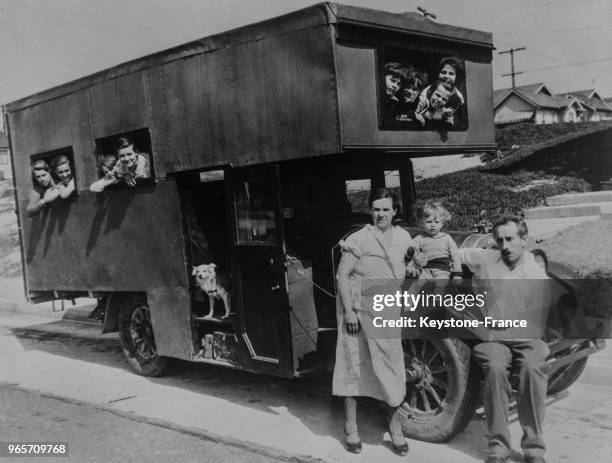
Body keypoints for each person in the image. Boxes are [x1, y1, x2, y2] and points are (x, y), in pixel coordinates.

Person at [458, 215, 550, 463]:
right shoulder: (487, 258)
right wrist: (420, 258)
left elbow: (535, 326)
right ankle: (498, 447)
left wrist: (493, 328)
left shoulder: (535, 273)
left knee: (532, 369)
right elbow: (455, 251)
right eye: (499, 240)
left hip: (525, 336)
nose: (505, 246)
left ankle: (534, 449)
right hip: (494, 341)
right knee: (496, 368)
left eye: (510, 239)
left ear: (524, 240)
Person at [333, 188, 413, 456]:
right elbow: (342, 276)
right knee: (353, 364)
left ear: (395, 211)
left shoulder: (403, 237)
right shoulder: (359, 239)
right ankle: (351, 427)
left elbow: (407, 266)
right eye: (376, 209)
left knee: (391, 366)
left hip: (388, 307)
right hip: (358, 306)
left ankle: (395, 428)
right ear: (370, 210)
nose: (381, 214)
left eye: (386, 209)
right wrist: (349, 312)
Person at [409, 201, 462, 293]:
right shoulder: (419, 239)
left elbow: (455, 256)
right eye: (429, 222)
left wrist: (457, 273)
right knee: (415, 286)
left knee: (440, 287)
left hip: (442, 270)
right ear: (422, 223)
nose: (432, 225)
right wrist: (413, 262)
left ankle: (438, 303)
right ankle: (407, 305)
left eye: (436, 222)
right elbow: (410, 249)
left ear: (441, 223)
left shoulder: (447, 238)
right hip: (426, 270)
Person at [415, 57, 465, 126]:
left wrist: (449, 117)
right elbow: (419, 110)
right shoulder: (427, 90)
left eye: (451, 74)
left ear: (456, 77)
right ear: (438, 74)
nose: (447, 76)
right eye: (443, 72)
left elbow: (452, 114)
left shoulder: (458, 97)